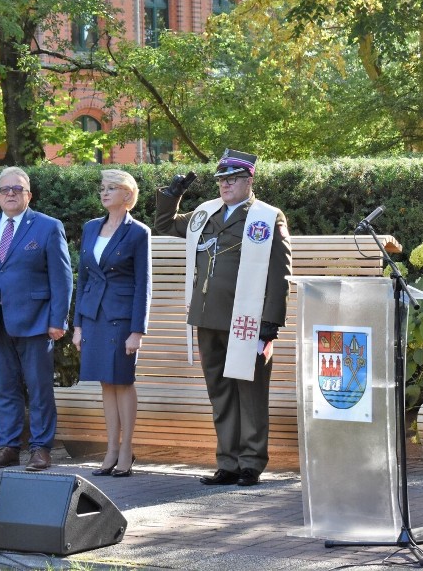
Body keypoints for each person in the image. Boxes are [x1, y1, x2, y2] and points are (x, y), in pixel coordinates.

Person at [155, 149, 292, 487]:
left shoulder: (266, 216)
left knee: (250, 392)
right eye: (221, 179)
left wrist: (270, 324)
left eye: (232, 179)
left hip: (246, 318)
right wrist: (173, 195)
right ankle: (228, 461)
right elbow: (165, 225)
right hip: (208, 317)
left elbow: (280, 273)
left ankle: (251, 462)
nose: (225, 185)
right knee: (220, 392)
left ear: (249, 180)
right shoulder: (206, 213)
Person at [0, 167, 73, 471]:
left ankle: (41, 448)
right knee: (6, 388)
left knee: (39, 387)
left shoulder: (47, 227)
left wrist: (58, 320)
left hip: (37, 321)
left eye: (17, 189)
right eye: (5, 190)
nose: (11, 193)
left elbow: (62, 277)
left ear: (29, 194)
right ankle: (9, 446)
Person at [73, 169, 152, 478]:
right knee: (106, 382)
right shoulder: (91, 228)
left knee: (123, 380)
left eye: (111, 188)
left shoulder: (138, 232)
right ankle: (110, 449)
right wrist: (78, 325)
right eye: (102, 188)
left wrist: (137, 330)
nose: (104, 193)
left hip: (122, 317)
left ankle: (126, 449)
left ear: (127, 196)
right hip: (94, 317)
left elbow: (143, 283)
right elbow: (84, 278)